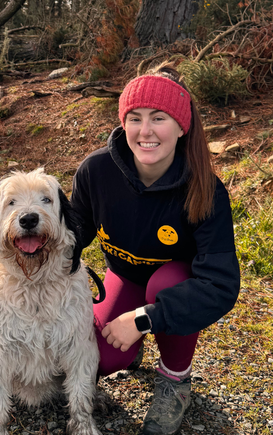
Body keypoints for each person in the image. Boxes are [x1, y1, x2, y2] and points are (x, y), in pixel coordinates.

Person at [70, 64, 241, 435]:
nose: (145, 131)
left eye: (158, 118)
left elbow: (220, 286)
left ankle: (176, 380)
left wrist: (142, 319)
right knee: (100, 357)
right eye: (135, 118)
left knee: (163, 285)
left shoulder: (207, 191)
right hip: (124, 277)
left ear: (181, 126)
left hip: (171, 285)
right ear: (123, 122)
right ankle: (139, 338)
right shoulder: (95, 172)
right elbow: (73, 235)